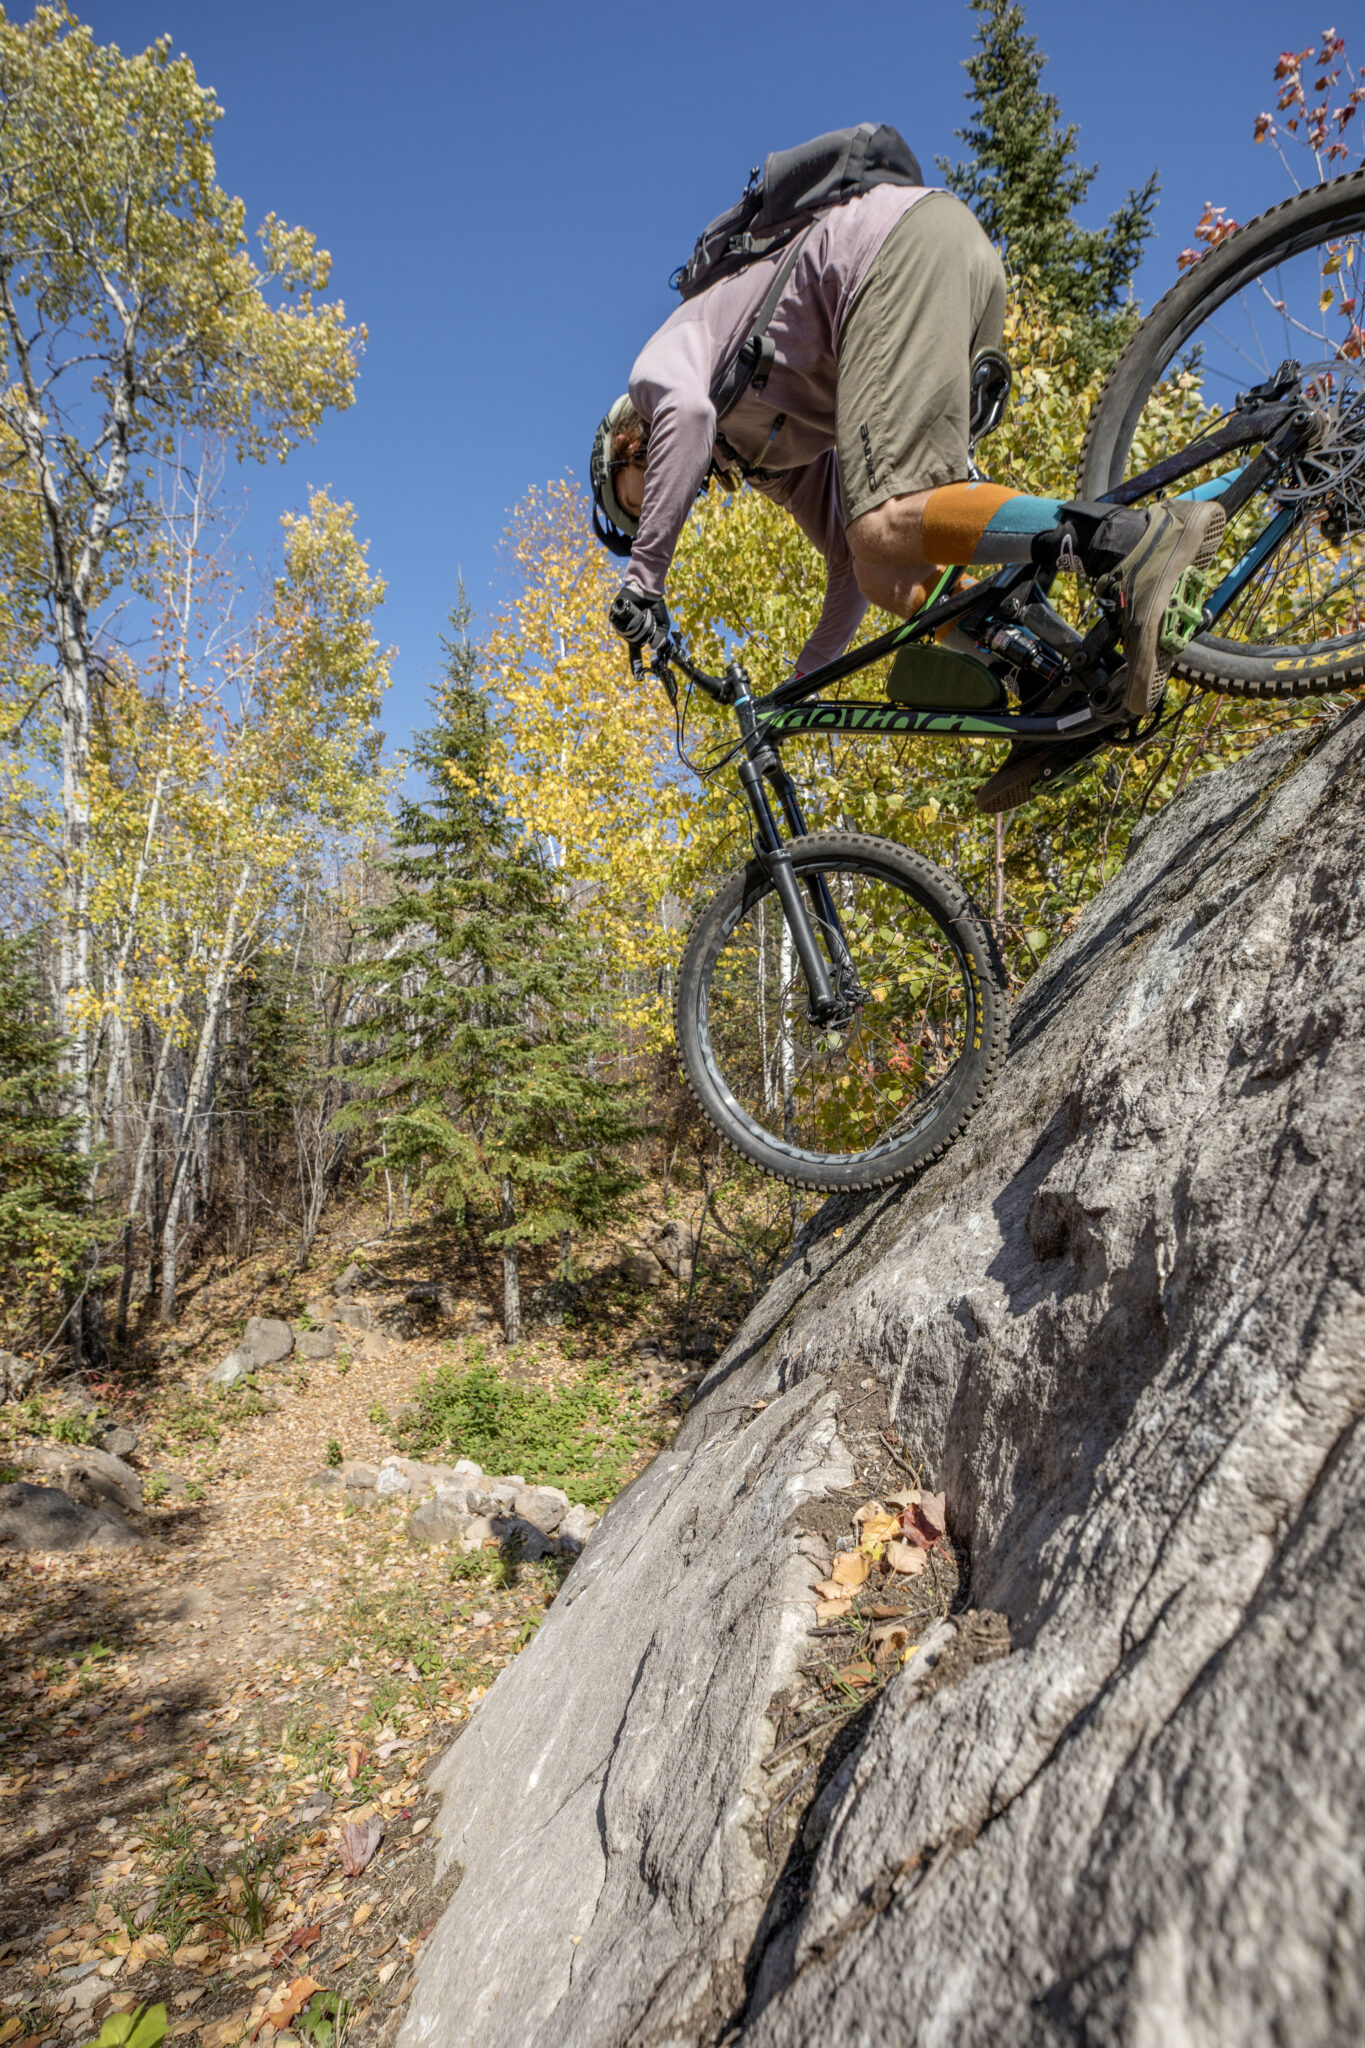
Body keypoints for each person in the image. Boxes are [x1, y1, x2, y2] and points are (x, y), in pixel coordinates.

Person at [590, 182, 1224, 811]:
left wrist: (644, 580)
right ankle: (1047, 675)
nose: (658, 507)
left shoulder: (656, 372)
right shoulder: (762, 459)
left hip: (896, 254)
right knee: (878, 565)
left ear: (628, 441)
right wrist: (803, 684)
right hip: (945, 273)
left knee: (881, 520)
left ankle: (1122, 541)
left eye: (639, 494)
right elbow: (846, 561)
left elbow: (687, 413)